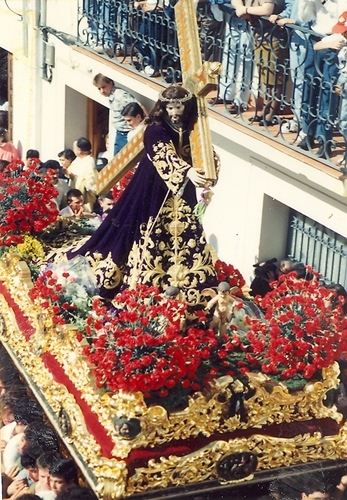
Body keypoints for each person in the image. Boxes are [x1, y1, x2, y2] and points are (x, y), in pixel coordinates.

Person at [68, 85, 219, 303]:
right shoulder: (155, 129)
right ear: (164, 107)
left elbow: (204, 150)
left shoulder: (193, 129)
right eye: (171, 107)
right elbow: (162, 153)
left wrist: (209, 170)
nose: (175, 112)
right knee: (144, 231)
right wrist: (187, 171)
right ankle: (140, 284)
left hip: (182, 190)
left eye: (179, 107)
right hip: (154, 187)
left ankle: (189, 285)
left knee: (186, 235)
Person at [297, 0, 345, 158]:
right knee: (309, 88)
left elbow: (344, 22)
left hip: (333, 42)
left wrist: (331, 42)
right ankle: (308, 133)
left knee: (327, 93)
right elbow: (304, 18)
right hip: (314, 39)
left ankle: (325, 140)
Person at [313, 12, 347, 164]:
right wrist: (330, 45)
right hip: (340, 80)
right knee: (337, 116)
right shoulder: (339, 38)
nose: (343, 35)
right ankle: (328, 143)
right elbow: (316, 45)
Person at [92, 74, 138, 154]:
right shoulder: (111, 96)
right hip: (120, 133)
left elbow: (139, 107)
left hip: (127, 133)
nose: (102, 91)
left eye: (104, 87)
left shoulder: (120, 95)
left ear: (111, 83)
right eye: (99, 88)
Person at [65, 138, 97, 212]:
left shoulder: (89, 162)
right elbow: (70, 172)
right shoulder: (78, 159)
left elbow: (90, 184)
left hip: (84, 198)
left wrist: (75, 178)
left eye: (74, 148)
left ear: (79, 150)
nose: (74, 150)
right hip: (72, 195)